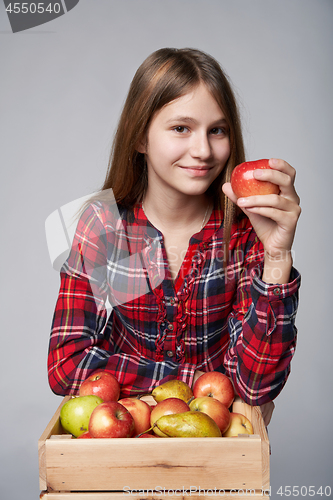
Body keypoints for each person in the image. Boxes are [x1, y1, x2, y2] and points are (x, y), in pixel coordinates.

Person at [48, 48, 301, 426]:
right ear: (140, 138)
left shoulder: (243, 232)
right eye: (181, 128)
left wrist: (278, 255)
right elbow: (66, 364)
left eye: (217, 130)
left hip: (214, 445)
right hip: (123, 437)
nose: (202, 151)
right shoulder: (102, 224)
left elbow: (254, 387)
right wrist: (191, 382)